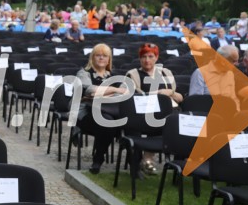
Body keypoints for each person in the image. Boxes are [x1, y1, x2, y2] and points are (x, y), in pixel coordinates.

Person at [126, 43, 183, 175]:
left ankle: (174, 166)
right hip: (144, 112)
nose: (147, 60)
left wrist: (170, 93)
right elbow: (136, 96)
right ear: (140, 59)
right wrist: (158, 93)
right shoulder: (133, 74)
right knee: (163, 119)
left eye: (151, 56)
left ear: (157, 58)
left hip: (169, 111)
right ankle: (147, 159)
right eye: (144, 57)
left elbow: (180, 96)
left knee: (178, 123)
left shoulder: (166, 72)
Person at [77, 44, 128, 174]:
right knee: (107, 121)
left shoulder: (113, 75)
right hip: (86, 114)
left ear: (109, 59)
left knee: (124, 121)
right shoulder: (84, 73)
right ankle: (98, 159)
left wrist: (102, 93)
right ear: (92, 57)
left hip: (110, 112)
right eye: (98, 55)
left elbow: (126, 91)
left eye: (104, 56)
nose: (101, 58)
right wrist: (115, 90)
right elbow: (90, 90)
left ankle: (135, 163)